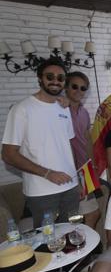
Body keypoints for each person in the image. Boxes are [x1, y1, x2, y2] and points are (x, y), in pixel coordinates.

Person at [1, 57, 80, 227]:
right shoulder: (22, 109)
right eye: (50, 76)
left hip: (70, 187)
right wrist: (47, 173)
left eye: (60, 78)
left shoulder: (64, 108)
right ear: (40, 78)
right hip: (42, 192)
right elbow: (8, 154)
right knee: (49, 246)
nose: (55, 81)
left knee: (73, 240)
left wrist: (76, 178)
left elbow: (68, 147)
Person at [65, 71, 100, 229]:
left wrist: (92, 166)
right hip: (67, 173)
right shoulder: (59, 111)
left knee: (93, 213)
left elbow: (87, 140)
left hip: (84, 171)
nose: (79, 90)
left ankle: (86, 251)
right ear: (66, 87)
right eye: (74, 86)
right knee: (71, 218)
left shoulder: (84, 112)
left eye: (83, 88)